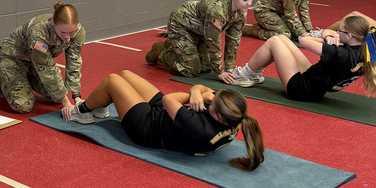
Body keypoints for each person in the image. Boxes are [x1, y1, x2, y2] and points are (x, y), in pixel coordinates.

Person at [68, 70, 264, 170]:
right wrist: (197, 92)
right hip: (168, 117)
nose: (212, 97)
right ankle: (101, 103)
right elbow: (204, 90)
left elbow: (168, 100)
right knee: (125, 74)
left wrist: (195, 95)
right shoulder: (235, 116)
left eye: (212, 102)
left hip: (149, 128)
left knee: (113, 80)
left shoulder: (199, 128)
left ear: (218, 116)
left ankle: (82, 111)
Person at [231, 14, 376, 101]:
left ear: (350, 36)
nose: (337, 33)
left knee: (274, 41)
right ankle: (256, 72)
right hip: (317, 83)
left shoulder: (340, 53)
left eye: (340, 31)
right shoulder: (370, 47)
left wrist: (327, 39)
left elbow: (303, 40)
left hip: (300, 89)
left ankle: (244, 74)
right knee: (282, 39)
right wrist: (331, 38)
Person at [145, 0, 254, 83]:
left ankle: (174, 45)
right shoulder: (217, 11)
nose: (249, 3)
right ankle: (160, 51)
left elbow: (233, 39)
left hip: (200, 30)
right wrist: (220, 72)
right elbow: (213, 42)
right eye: (245, 0)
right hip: (181, 25)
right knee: (191, 69)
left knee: (206, 67)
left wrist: (230, 68)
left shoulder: (241, 11)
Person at [0, 2, 86, 119]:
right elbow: (47, 68)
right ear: (53, 22)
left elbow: (74, 61)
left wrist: (76, 97)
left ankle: (26, 78)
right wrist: (66, 103)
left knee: (56, 97)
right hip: (14, 59)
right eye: (63, 32)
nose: (67, 36)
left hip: (34, 63)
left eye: (71, 32)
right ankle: (2, 76)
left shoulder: (78, 32)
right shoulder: (38, 33)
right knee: (23, 106)